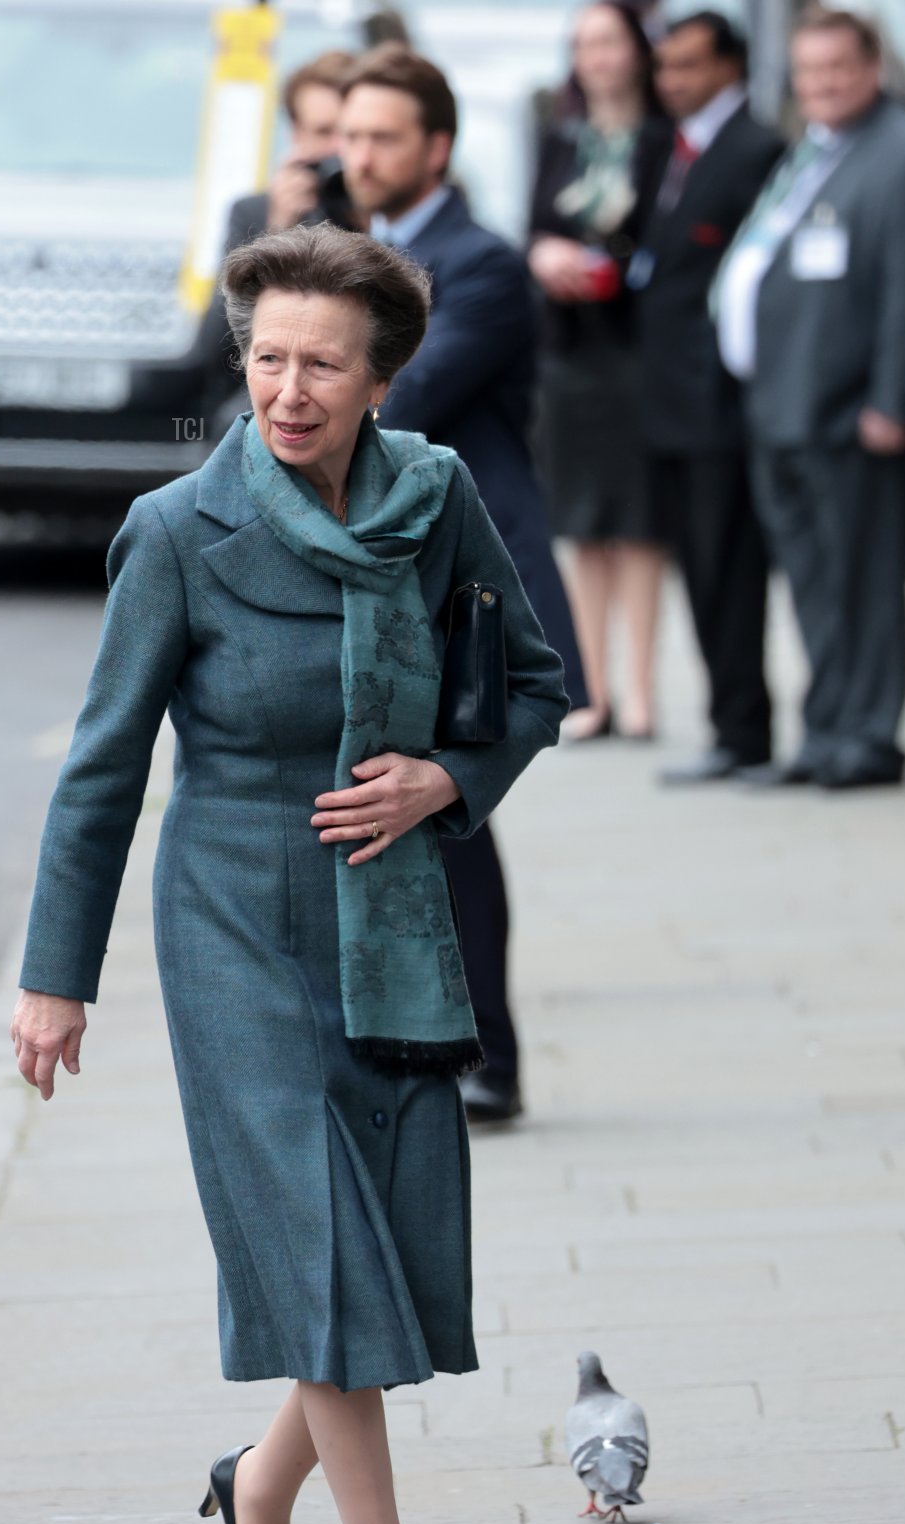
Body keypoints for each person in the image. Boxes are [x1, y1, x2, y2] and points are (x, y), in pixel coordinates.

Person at [11, 224, 566, 1524]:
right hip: (230, 926)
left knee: (379, 1260)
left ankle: (256, 1491)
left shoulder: (435, 499)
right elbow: (102, 772)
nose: (289, 389)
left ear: (381, 375)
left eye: (324, 362)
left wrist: (443, 784)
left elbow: (533, 686)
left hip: (389, 920)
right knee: (324, 1263)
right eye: (267, 358)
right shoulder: (181, 530)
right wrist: (57, 978)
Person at [339, 43, 587, 1123]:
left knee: (453, 809)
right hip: (372, 577)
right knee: (384, 802)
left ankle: (491, 1054)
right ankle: (409, 1034)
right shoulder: (345, 255)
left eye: (381, 137)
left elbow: (401, 401)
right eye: (349, 135)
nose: (359, 155)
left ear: (436, 147)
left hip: (467, 591)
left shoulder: (478, 263)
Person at [714, 7, 905, 790]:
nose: (823, 83)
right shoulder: (814, 152)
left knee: (863, 584)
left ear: (873, 67)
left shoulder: (901, 155)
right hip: (784, 408)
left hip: (853, 415)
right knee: (813, 585)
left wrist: (894, 402)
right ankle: (827, 732)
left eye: (837, 67)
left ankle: (868, 737)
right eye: (809, 71)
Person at [636, 12, 784, 784]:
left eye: (690, 65)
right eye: (666, 66)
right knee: (697, 567)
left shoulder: (758, 149)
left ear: (732, 65)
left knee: (729, 569)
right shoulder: (673, 148)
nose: (674, 80)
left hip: (719, 403)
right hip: (667, 401)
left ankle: (745, 732)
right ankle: (732, 726)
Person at [529, 1, 671, 741]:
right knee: (581, 524)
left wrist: (609, 266)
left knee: (640, 524)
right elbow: (535, 225)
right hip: (569, 352)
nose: (597, 56)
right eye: (584, 43)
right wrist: (547, 255)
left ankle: (642, 690)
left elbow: (663, 238)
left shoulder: (660, 137)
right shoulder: (559, 135)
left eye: (609, 41)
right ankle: (592, 687)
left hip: (635, 349)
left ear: (637, 49)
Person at [195, 51, 360, 432]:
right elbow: (215, 347)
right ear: (296, 138)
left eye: (349, 133)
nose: (340, 151)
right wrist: (276, 234)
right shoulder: (257, 213)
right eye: (323, 133)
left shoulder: (392, 210)